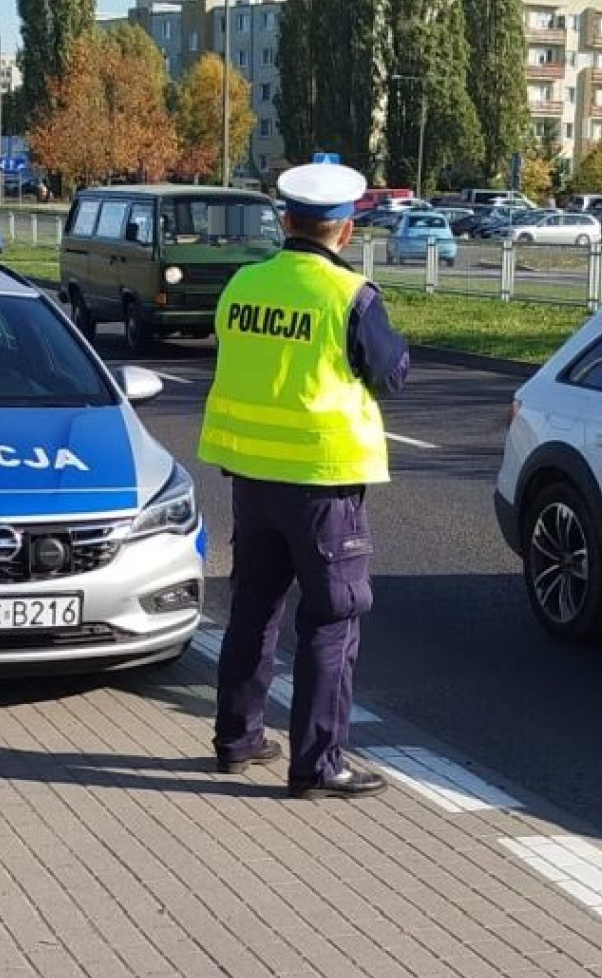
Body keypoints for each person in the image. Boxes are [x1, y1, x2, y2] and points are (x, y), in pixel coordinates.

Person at [199, 161, 410, 799]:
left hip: (251, 476)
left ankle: (238, 740)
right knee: (332, 618)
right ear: (344, 229)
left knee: (254, 607)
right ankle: (319, 765)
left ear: (286, 220)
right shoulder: (349, 295)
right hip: (322, 484)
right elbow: (391, 373)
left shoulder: (243, 283)